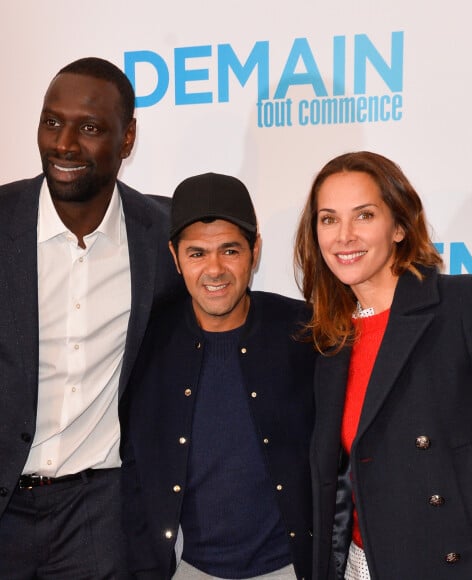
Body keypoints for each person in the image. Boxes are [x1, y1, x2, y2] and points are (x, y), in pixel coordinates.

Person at [293, 151, 472, 580]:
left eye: (364, 216)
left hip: (471, 564)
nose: (344, 236)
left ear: (400, 227)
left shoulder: (468, 305)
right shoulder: (331, 339)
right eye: (328, 219)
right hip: (364, 564)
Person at [0, 57, 183, 579]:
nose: (63, 144)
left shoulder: (164, 237)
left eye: (90, 128)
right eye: (52, 121)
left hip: (98, 514)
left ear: (127, 140)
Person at [121, 172, 316, 580]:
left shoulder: (303, 331)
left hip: (290, 569)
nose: (215, 270)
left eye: (230, 250)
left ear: (255, 251)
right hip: (186, 570)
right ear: (174, 256)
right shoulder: (146, 341)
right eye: (197, 254)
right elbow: (135, 472)